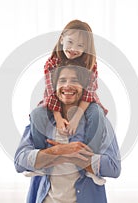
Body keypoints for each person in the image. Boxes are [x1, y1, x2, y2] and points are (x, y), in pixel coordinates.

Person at [14, 64, 121, 203]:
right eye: (62, 80)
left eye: (75, 81)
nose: (68, 85)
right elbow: (20, 161)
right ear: (54, 87)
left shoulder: (98, 122)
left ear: (84, 88)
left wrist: (72, 157)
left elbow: (113, 167)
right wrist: (60, 150)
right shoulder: (41, 121)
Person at [31, 19, 107, 153]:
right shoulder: (51, 63)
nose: (73, 49)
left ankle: (90, 155)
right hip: (54, 101)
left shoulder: (90, 64)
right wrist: (58, 117)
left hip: (84, 101)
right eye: (70, 42)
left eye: (80, 45)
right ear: (62, 39)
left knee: (97, 113)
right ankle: (40, 155)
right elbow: (51, 92)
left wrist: (77, 116)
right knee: (37, 114)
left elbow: (89, 92)